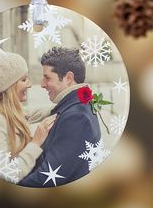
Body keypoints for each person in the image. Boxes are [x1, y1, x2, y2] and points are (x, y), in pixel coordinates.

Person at [19, 47, 101, 187]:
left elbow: (49, 175)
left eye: (47, 77)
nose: (42, 84)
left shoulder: (76, 117)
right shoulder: (74, 105)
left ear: (68, 78)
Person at [0, 52, 56, 184]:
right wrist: (36, 143)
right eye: (24, 80)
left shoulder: (6, 110)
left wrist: (66, 103)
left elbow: (30, 112)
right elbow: (4, 175)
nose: (29, 85)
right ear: (7, 86)